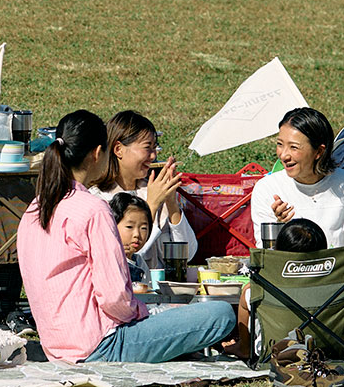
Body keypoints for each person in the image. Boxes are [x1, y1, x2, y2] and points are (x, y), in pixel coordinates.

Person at [18, 110, 234, 363]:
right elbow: (114, 298)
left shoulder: (35, 208)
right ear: (98, 153)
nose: (153, 155)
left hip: (56, 345)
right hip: (101, 344)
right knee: (221, 313)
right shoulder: (94, 208)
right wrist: (144, 312)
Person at [249, 107, 344, 267]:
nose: (283, 155)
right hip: (288, 276)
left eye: (294, 147)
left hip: (340, 275)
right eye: (280, 144)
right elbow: (266, 255)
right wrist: (277, 226)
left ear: (318, 151)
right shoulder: (268, 188)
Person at [89, 111, 195, 274]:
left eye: (155, 148)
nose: (153, 156)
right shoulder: (98, 198)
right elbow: (127, 255)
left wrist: (171, 202)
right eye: (147, 147)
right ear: (118, 149)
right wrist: (151, 205)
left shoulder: (153, 189)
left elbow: (188, 254)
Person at [108, 193, 154, 283]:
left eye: (143, 228)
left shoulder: (140, 262)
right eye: (129, 227)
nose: (137, 234)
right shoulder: (106, 259)